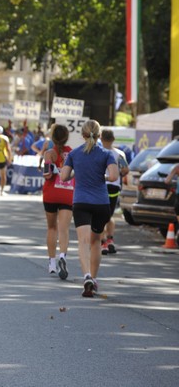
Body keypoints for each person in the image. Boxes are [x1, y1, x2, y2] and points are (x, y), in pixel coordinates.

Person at [60, 119, 119, 297]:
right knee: (95, 242)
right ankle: (93, 278)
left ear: (82, 135)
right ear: (99, 135)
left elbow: (64, 177)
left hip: (81, 202)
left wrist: (77, 172)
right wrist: (102, 176)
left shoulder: (74, 153)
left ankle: (86, 275)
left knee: (83, 242)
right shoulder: (106, 153)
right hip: (101, 203)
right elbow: (114, 176)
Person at [42, 124, 74, 279]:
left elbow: (47, 175)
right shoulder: (73, 153)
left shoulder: (49, 153)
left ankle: (52, 263)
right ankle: (63, 256)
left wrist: (53, 168)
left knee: (51, 228)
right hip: (68, 193)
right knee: (64, 228)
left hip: (51, 194)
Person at [99, 129, 130, 255]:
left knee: (100, 216)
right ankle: (110, 240)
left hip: (101, 186)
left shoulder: (99, 153)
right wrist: (119, 173)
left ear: (101, 139)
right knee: (109, 215)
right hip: (114, 187)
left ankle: (103, 242)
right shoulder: (119, 154)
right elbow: (126, 170)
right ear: (113, 139)